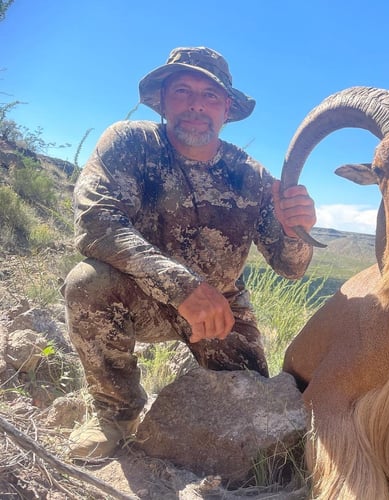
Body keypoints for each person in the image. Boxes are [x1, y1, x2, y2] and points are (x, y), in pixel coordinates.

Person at [63, 47, 316, 460]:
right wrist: (182, 286)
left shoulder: (252, 177)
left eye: (211, 95)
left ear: (227, 109)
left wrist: (298, 231)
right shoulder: (128, 143)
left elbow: (291, 267)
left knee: (250, 404)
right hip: (139, 294)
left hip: (220, 310)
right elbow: (95, 223)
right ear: (162, 100)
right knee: (86, 283)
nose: (197, 103)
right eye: (182, 90)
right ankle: (116, 413)